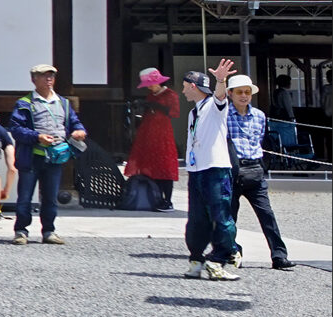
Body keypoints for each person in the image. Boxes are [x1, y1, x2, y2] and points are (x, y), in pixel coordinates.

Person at [7, 62, 86, 246]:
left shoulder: (64, 103)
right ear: (34, 79)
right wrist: (37, 137)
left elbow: (75, 123)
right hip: (32, 157)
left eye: (51, 75)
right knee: (25, 196)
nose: (49, 78)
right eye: (44, 75)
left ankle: (49, 231)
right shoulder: (25, 103)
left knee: (51, 197)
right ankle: (21, 231)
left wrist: (80, 131)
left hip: (55, 157)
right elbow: (16, 129)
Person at [225, 73, 293, 271]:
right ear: (230, 94)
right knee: (229, 216)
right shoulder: (223, 114)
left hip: (255, 168)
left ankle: (279, 255)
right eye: (239, 92)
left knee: (267, 215)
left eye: (247, 92)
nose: (244, 96)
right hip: (232, 170)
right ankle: (232, 250)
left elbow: (260, 141)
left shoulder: (260, 116)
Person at [180, 60, 237, 281]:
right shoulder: (193, 112)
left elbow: (221, 96)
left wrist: (221, 80)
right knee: (196, 218)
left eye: (185, 86)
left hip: (216, 169)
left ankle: (218, 261)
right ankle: (196, 259)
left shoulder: (214, 106)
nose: (183, 90)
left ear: (193, 86)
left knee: (221, 217)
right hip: (197, 170)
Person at [123, 67, 181, 212]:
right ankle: (156, 198)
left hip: (163, 136)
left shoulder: (170, 95)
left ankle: (167, 200)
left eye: (151, 84)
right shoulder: (150, 96)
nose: (149, 87)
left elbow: (174, 113)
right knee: (151, 167)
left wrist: (156, 106)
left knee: (165, 168)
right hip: (148, 134)